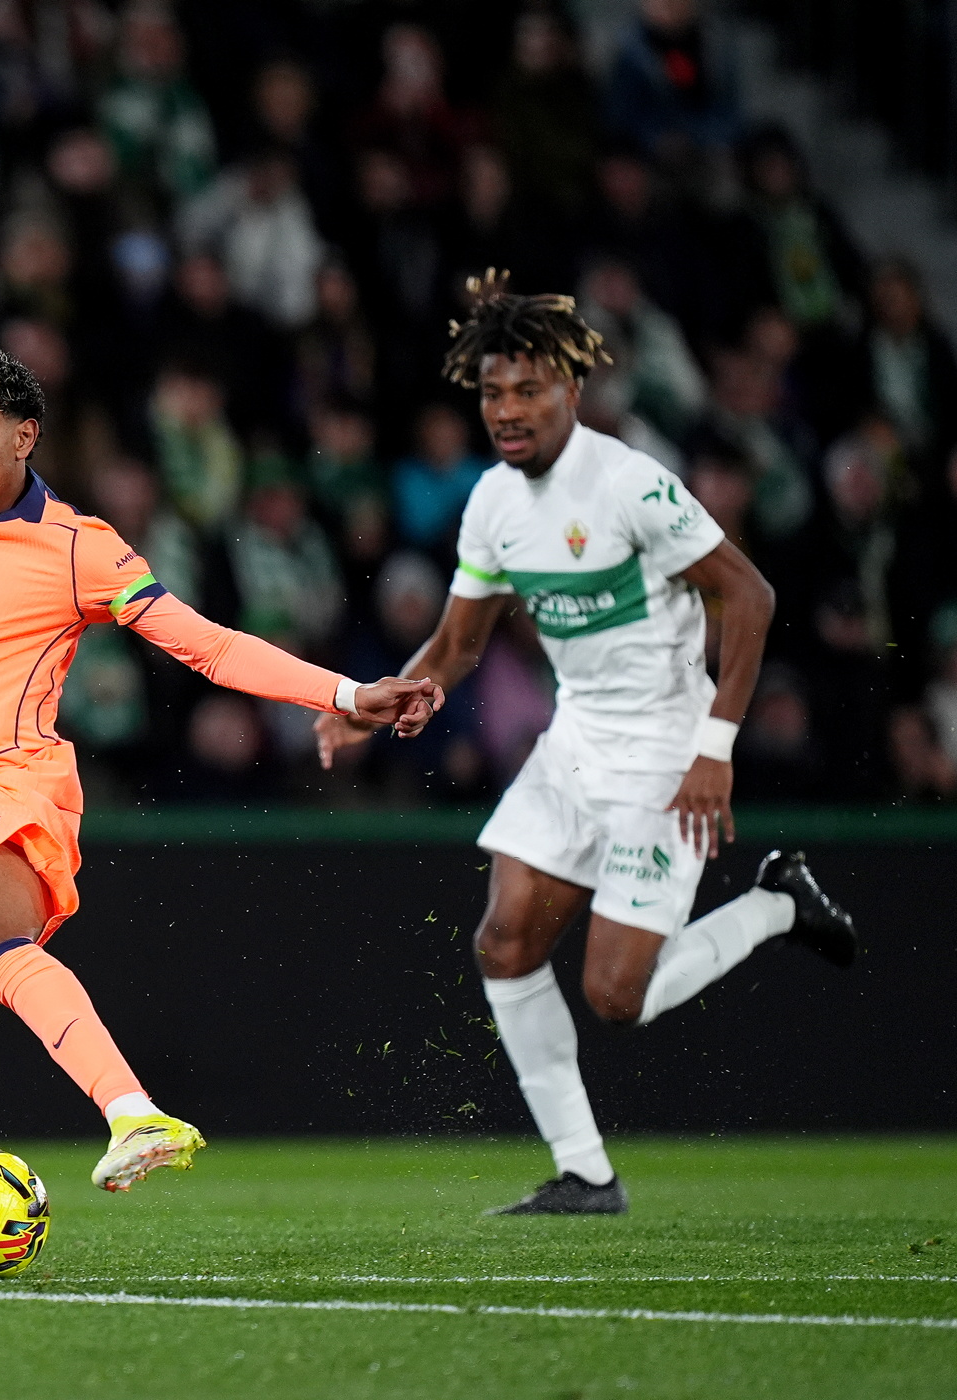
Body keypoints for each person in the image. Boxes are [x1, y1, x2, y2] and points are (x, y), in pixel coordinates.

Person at [0, 347, 440, 1275]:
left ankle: (134, 1114)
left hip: (14, 791)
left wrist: (347, 696)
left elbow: (210, 648)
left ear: (25, 437)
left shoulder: (80, 550)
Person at [315, 277, 860, 1215]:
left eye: (528, 389)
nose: (508, 409)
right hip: (577, 741)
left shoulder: (630, 483)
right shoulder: (491, 501)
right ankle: (586, 1173)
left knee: (619, 995)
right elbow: (458, 644)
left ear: (571, 388)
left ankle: (776, 902)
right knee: (504, 940)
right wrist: (367, 702)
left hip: (665, 750)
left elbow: (752, 596)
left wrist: (716, 750)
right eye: (492, 392)